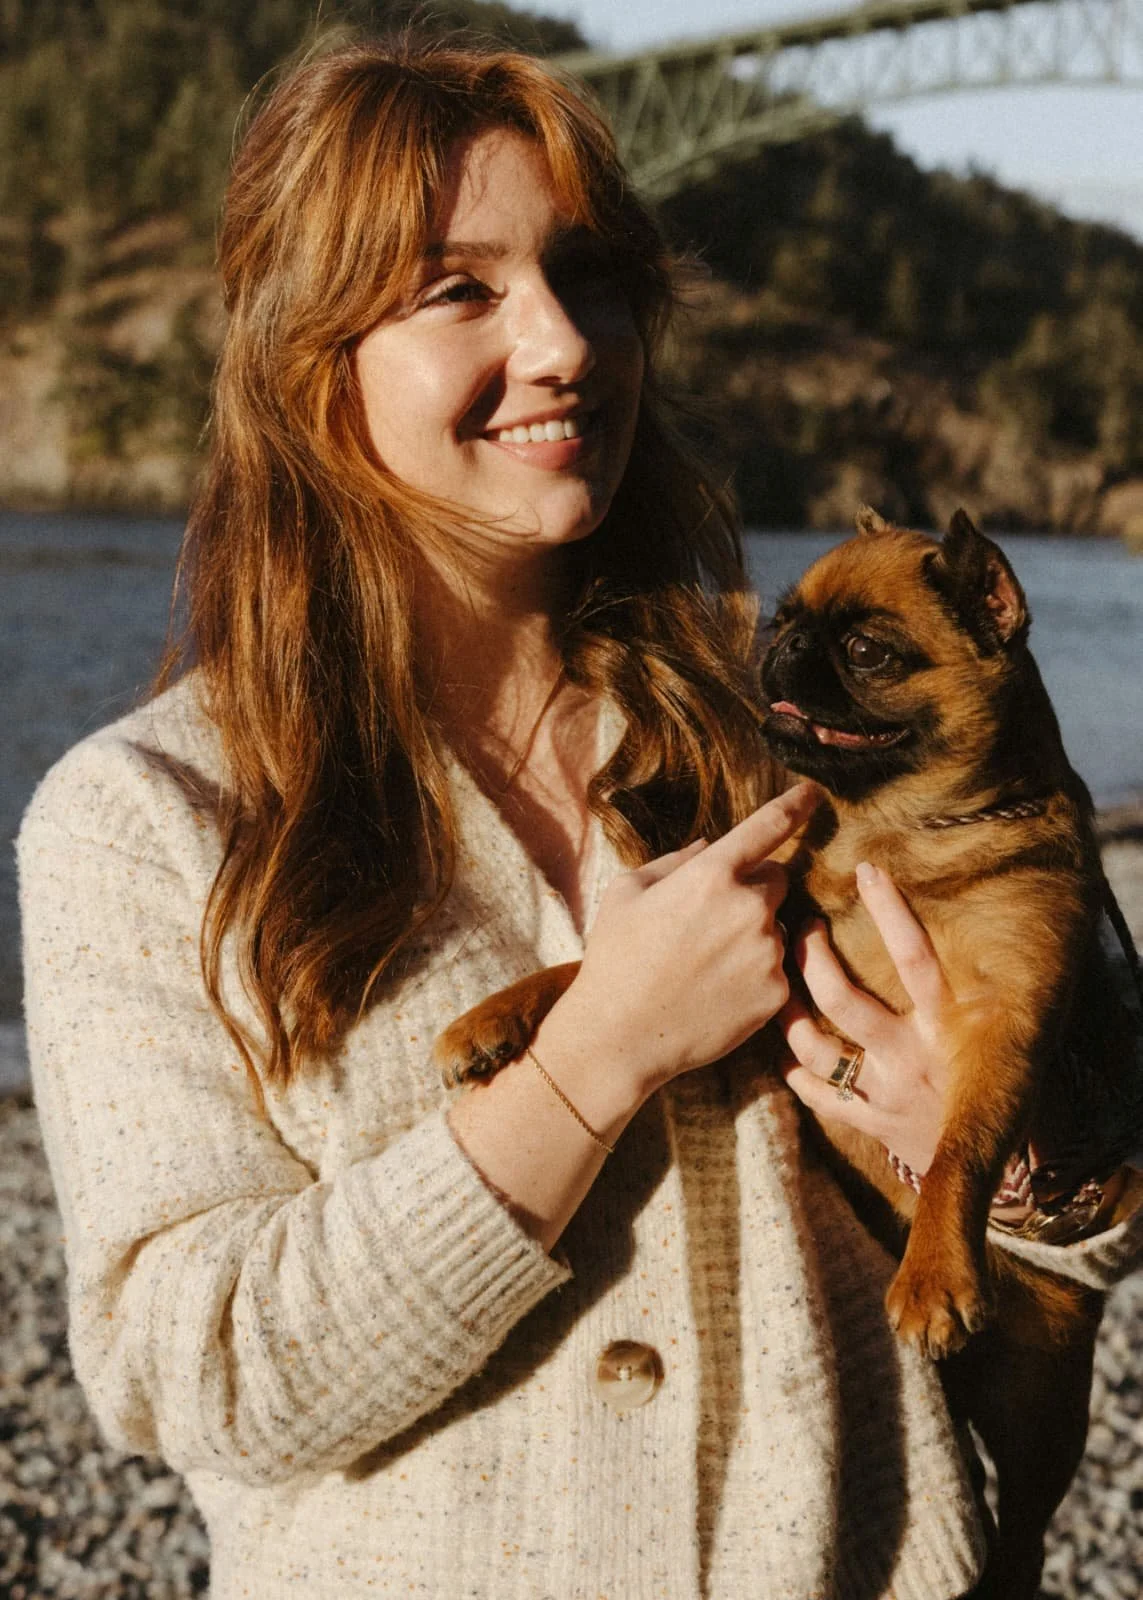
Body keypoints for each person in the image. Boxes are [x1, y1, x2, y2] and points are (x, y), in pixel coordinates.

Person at [18, 36, 1143, 1600]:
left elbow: (1089, 1202)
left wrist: (1011, 1170)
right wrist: (589, 1057)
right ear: (305, 361)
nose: (561, 342)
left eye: (586, 274)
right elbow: (191, 1380)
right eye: (456, 290)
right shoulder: (142, 824)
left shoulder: (817, 726)